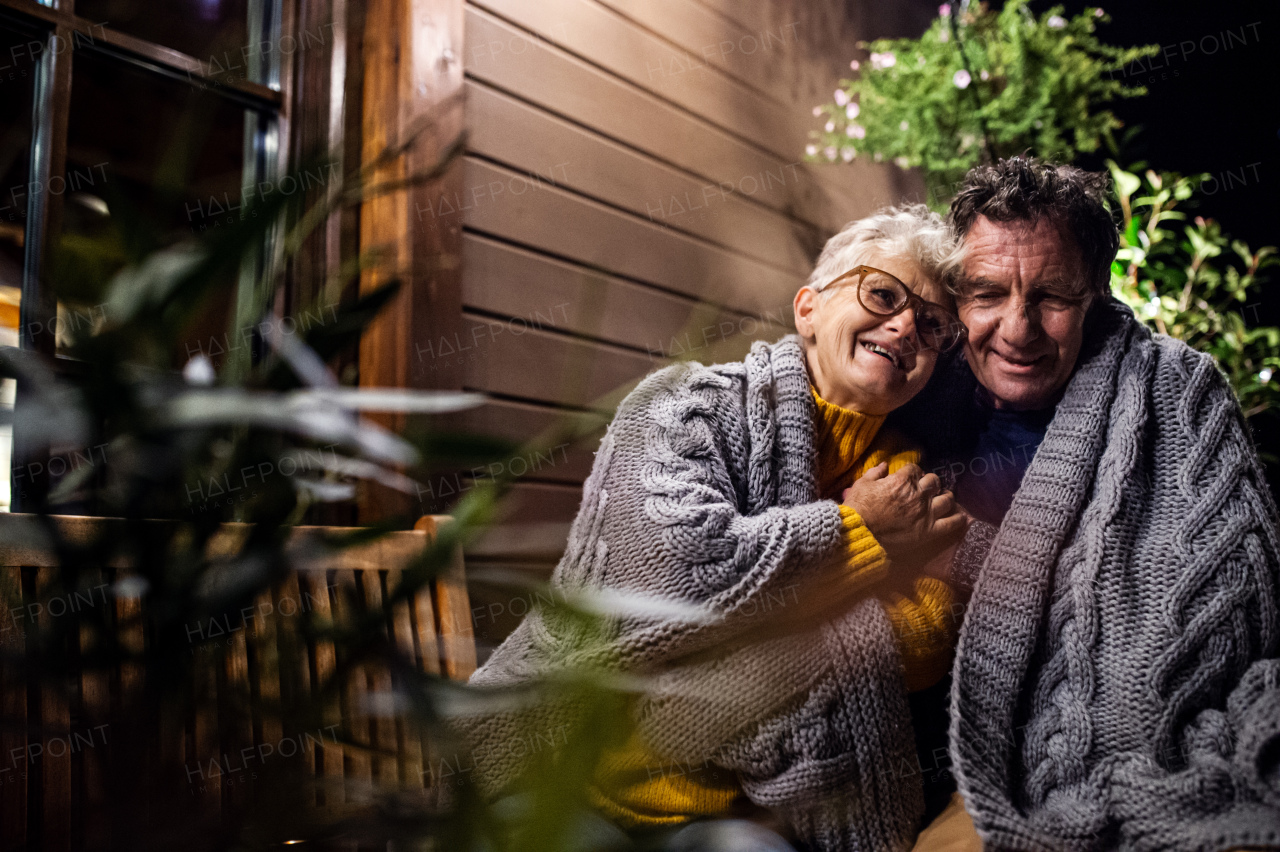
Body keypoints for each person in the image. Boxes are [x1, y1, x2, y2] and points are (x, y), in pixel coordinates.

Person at [456, 205, 972, 851]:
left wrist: (745, 625)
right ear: (808, 309)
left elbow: (930, 636)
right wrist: (860, 534)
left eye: (931, 326)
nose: (905, 327)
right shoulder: (683, 403)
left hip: (721, 816)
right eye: (883, 293)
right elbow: (675, 573)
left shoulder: (908, 476)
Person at [915, 157, 1280, 851]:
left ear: (1095, 295)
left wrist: (959, 555)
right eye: (988, 293)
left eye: (1051, 296)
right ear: (957, 297)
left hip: (1065, 764)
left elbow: (1236, 606)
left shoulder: (1176, 390)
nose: (1017, 328)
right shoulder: (919, 383)